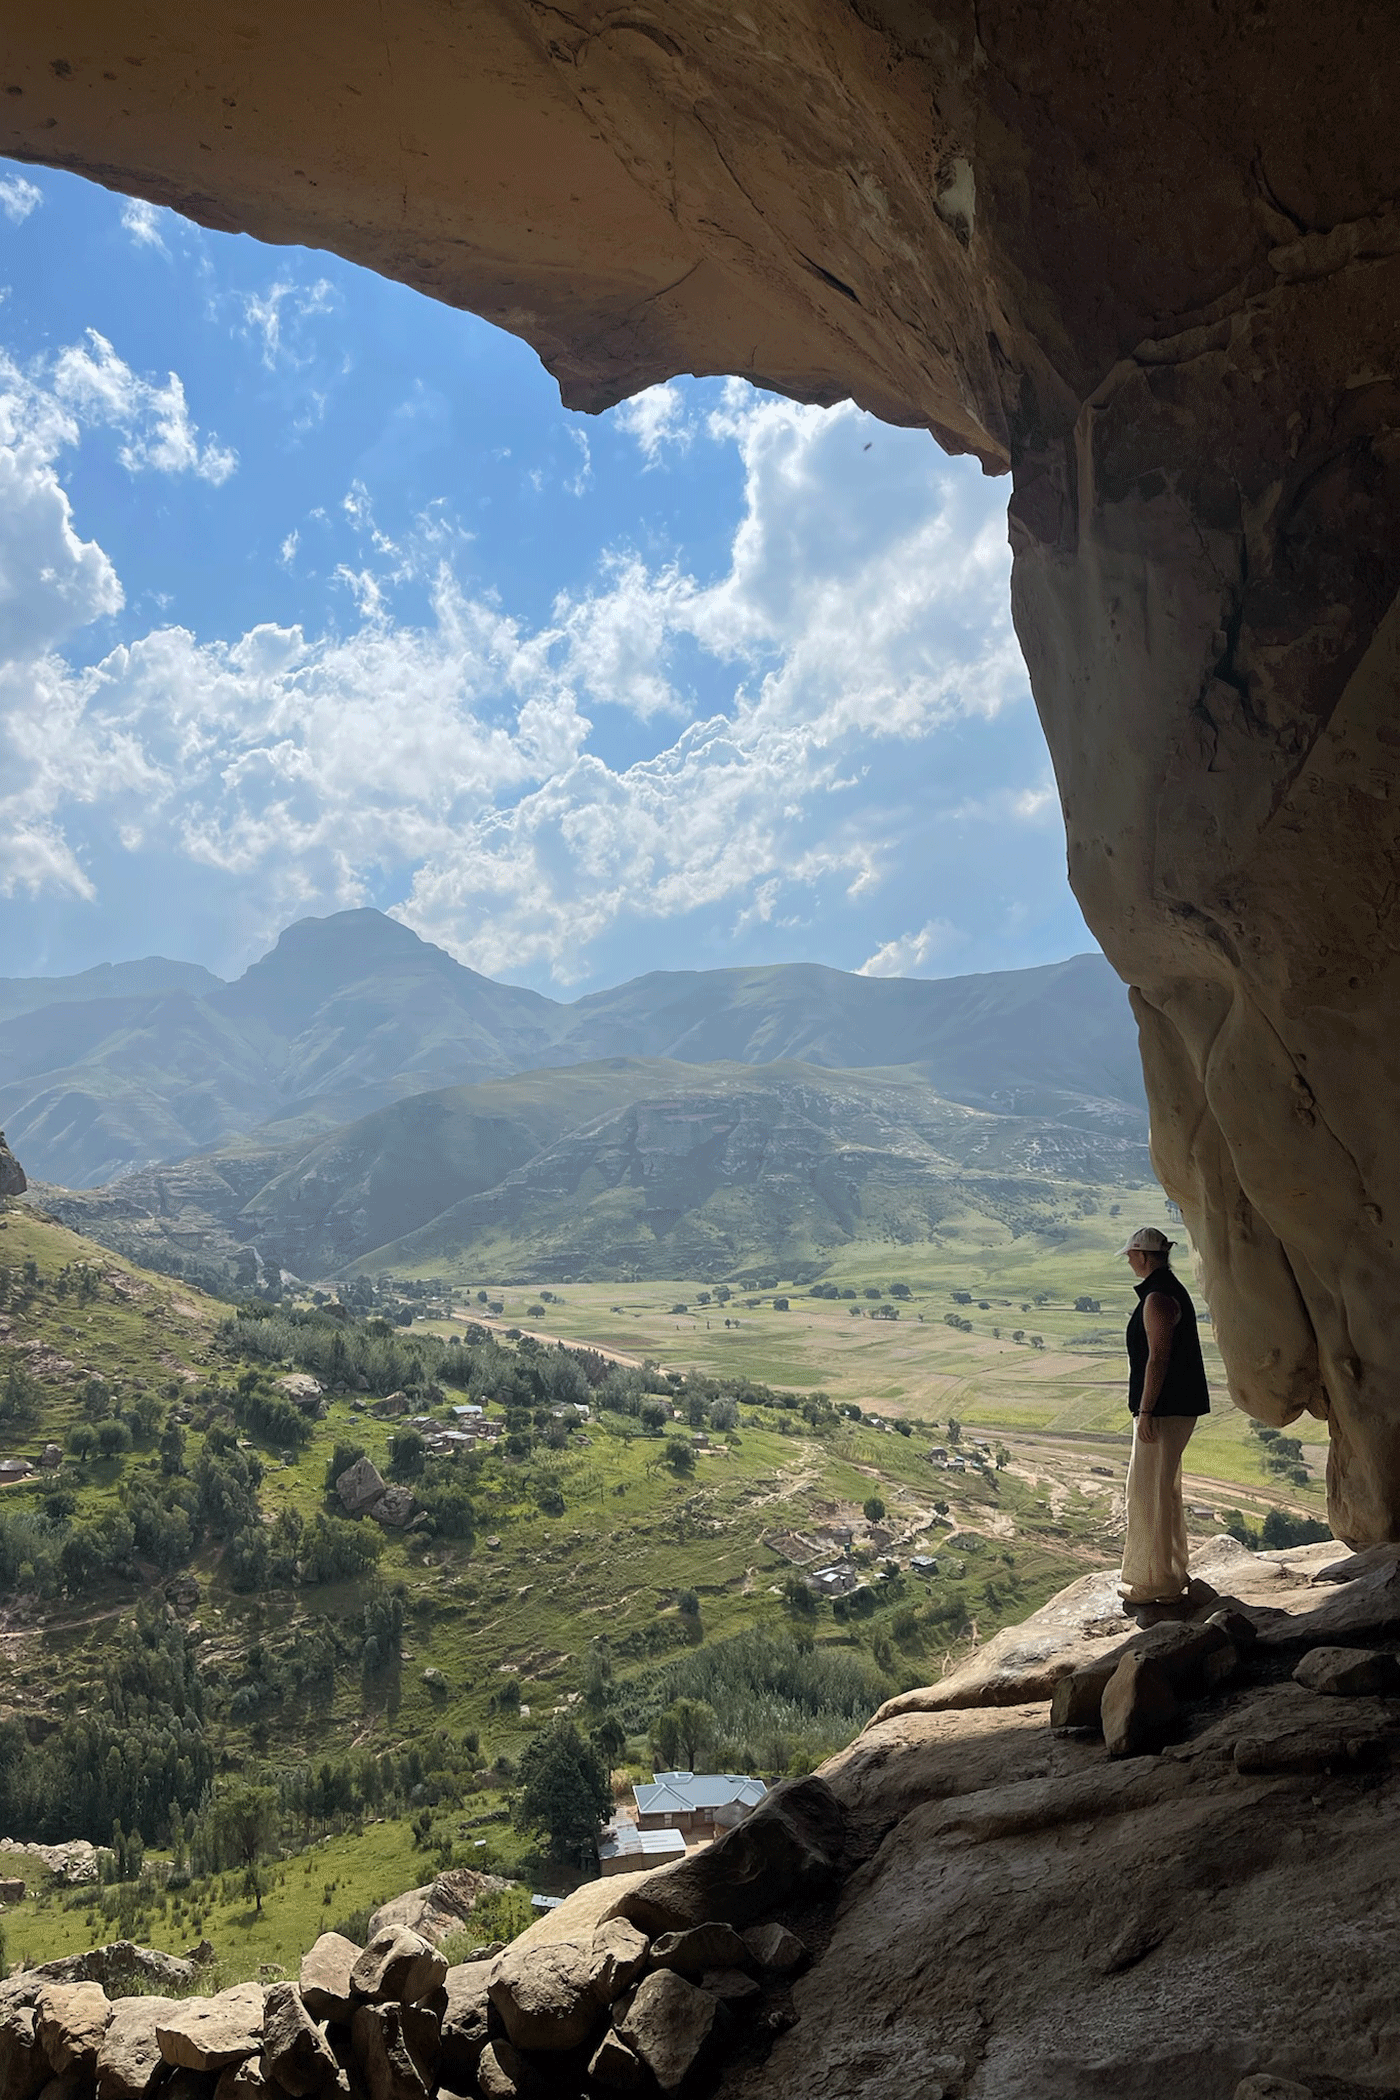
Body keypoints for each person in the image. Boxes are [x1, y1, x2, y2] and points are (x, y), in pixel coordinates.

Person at [1117, 1225, 1210, 1607]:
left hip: (1164, 1409)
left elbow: (1158, 1358)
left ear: (1141, 1256)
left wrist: (1146, 1409)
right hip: (1175, 1407)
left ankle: (1153, 1584)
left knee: (1147, 1494)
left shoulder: (1156, 1298)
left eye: (1130, 1255)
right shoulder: (1170, 1291)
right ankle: (1168, 1574)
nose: (1128, 1261)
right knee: (1162, 1491)